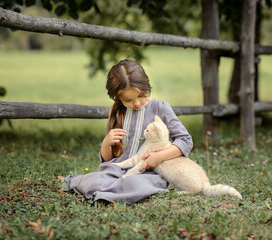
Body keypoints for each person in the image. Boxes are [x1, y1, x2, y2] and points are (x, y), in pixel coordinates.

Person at [62, 59, 193, 205]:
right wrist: (106, 143)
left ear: (146, 86)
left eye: (141, 95)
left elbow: (185, 140)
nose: (136, 103)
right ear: (118, 97)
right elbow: (108, 159)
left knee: (138, 185)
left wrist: (158, 157)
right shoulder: (118, 112)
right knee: (94, 180)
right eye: (129, 99)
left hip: (148, 173)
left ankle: (108, 193)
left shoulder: (160, 108)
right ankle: (110, 190)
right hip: (117, 169)